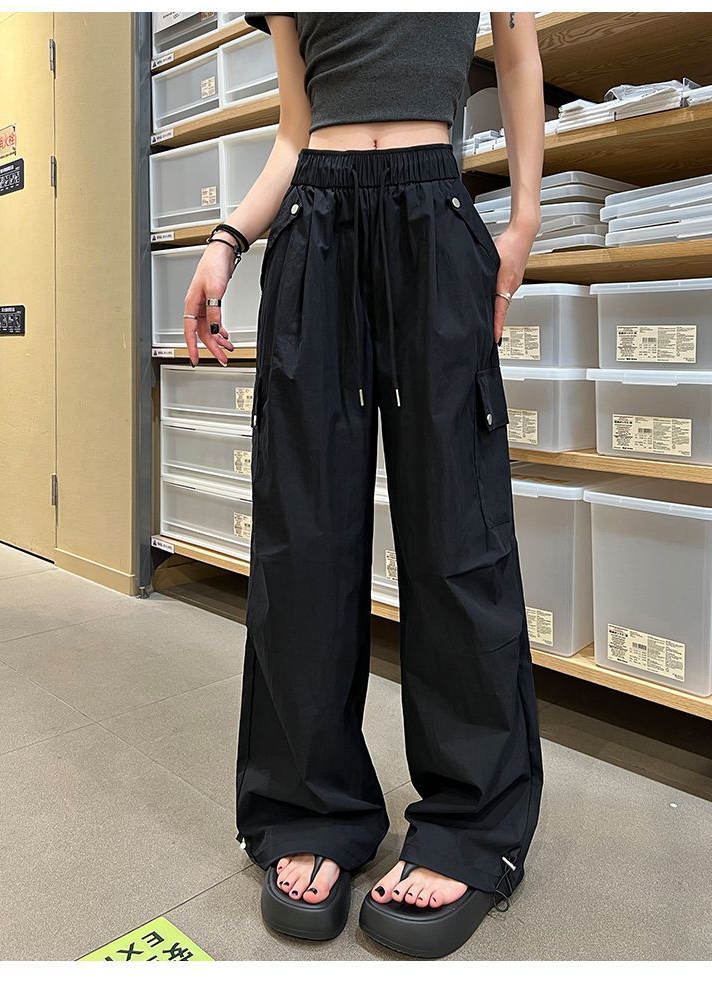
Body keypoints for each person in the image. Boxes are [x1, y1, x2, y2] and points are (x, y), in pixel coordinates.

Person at [183, 11, 545, 958]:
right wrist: (227, 240)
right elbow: (294, 131)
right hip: (315, 224)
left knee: (456, 531)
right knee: (303, 539)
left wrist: (523, 220)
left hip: (433, 213)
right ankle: (311, 808)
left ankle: (471, 823)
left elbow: (517, 56)